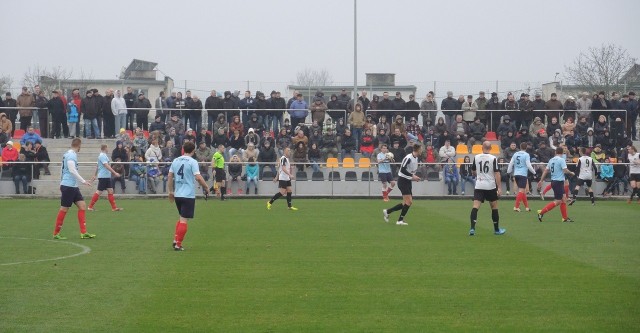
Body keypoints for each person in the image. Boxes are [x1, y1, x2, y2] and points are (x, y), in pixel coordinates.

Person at [168, 141, 210, 251]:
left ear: (183, 149)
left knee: (182, 217)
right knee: (184, 220)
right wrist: (206, 187)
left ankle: (175, 239)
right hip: (188, 195)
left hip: (178, 194)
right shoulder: (192, 161)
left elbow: (169, 176)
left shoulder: (176, 160)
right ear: (193, 151)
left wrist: (170, 191)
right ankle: (178, 244)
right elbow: (198, 177)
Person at [52, 138, 96, 240]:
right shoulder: (72, 155)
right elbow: (72, 170)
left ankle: (84, 232)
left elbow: (62, 169)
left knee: (82, 206)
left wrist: (60, 181)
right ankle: (56, 233)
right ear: (79, 145)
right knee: (64, 208)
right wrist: (83, 181)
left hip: (72, 186)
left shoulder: (67, 153)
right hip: (68, 186)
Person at [468, 141, 506, 236]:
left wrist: (477, 174)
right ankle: (496, 230)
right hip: (490, 185)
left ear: (482, 148)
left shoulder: (476, 157)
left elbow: (473, 171)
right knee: (494, 206)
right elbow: (497, 173)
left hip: (479, 185)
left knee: (475, 206)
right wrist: (499, 188)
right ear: (491, 148)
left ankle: (472, 229)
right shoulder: (493, 158)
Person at [382, 143, 422, 226]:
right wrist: (412, 176)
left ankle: (388, 211)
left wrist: (413, 177)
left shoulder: (416, 158)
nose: (422, 151)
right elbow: (402, 169)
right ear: (417, 150)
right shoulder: (408, 158)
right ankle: (400, 220)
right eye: (421, 149)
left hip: (407, 180)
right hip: (403, 181)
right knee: (409, 201)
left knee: (405, 203)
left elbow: (410, 171)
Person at [536, 147, 576, 223]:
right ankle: (541, 213)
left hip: (554, 182)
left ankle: (565, 218)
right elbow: (565, 170)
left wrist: (541, 180)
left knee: (564, 199)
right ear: (562, 153)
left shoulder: (551, 160)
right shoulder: (561, 160)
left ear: (555, 152)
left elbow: (545, 171)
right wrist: (571, 173)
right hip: (558, 182)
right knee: (558, 201)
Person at [88, 144, 124, 211]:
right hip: (103, 176)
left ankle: (114, 208)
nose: (108, 149)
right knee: (99, 192)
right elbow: (106, 166)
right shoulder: (102, 156)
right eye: (107, 148)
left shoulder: (103, 156)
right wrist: (115, 173)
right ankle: (90, 207)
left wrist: (95, 175)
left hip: (106, 176)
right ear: (105, 148)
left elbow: (97, 166)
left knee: (110, 191)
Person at [507, 142, 536, 212]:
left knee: (522, 191)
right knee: (521, 191)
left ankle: (527, 207)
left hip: (516, 174)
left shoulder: (515, 154)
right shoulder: (526, 155)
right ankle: (516, 207)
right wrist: (534, 172)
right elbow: (528, 165)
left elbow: (511, 163)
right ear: (526, 148)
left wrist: (508, 171)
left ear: (520, 147)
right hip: (523, 174)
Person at [266, 146, 298, 211]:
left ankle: (289, 206)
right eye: (288, 151)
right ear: (285, 151)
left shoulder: (287, 159)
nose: (290, 152)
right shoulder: (283, 158)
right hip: (283, 178)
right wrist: (290, 175)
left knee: (289, 190)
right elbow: (283, 168)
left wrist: (276, 177)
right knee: (282, 192)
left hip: (287, 178)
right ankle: (270, 202)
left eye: (290, 150)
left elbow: (279, 169)